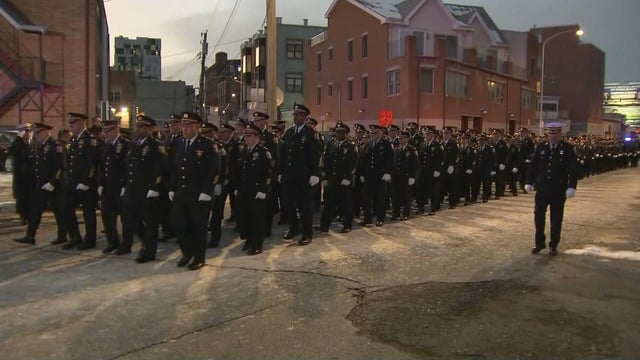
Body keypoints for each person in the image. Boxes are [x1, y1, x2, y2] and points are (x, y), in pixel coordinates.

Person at [169, 112, 216, 270]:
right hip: (181, 192)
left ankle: (199, 257)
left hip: (198, 194)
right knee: (180, 225)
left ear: (197, 126)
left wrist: (207, 191)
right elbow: (175, 168)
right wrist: (171, 187)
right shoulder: (179, 143)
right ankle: (187, 252)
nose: (185, 129)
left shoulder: (207, 145)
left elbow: (213, 170)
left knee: (198, 227)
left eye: (188, 125)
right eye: (183, 125)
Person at [525, 123, 578, 256]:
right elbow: (533, 166)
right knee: (538, 215)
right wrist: (529, 182)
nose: (553, 136)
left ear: (560, 134)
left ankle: (553, 244)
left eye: (555, 133)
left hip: (558, 189)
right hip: (542, 188)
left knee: (556, 217)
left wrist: (572, 186)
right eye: (550, 133)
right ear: (547, 134)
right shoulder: (541, 147)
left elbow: (573, 169)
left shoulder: (567, 149)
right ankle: (539, 242)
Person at [117, 115, 164, 263]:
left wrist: (155, 187)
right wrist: (125, 185)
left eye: (142, 126)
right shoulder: (133, 144)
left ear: (150, 129)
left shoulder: (156, 145)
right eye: (138, 126)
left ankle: (149, 252)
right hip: (133, 190)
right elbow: (128, 167)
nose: (139, 129)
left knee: (150, 223)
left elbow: (160, 168)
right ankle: (145, 242)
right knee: (132, 221)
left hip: (147, 190)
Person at [13, 123, 63, 245]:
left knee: (59, 212)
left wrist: (52, 182)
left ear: (45, 132)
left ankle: (63, 236)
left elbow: (59, 166)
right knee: (35, 211)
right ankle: (30, 236)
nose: (36, 136)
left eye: (38, 133)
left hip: (52, 186)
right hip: (41, 184)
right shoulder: (40, 146)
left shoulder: (54, 146)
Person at [279, 104, 320, 245]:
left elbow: (315, 155)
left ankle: (307, 233)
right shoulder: (289, 133)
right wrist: (281, 172)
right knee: (289, 205)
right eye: (295, 114)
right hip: (290, 176)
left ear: (304, 117)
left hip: (304, 176)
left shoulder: (310, 134)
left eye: (300, 115)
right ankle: (294, 228)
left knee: (305, 207)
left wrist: (315, 173)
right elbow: (284, 155)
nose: (296, 117)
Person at [60, 113, 100, 250]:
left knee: (88, 212)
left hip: (85, 184)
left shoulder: (90, 139)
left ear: (81, 122)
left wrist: (85, 181)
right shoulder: (74, 140)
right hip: (73, 183)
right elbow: (70, 162)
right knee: (66, 208)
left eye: (73, 123)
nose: (71, 126)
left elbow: (92, 163)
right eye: (70, 123)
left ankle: (90, 240)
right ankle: (75, 237)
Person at [237, 123, 271, 254]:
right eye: (245, 135)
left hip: (257, 190)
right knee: (246, 217)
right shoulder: (245, 150)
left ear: (256, 137)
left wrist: (263, 190)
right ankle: (249, 240)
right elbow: (241, 172)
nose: (246, 138)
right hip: (246, 189)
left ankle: (257, 244)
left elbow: (268, 172)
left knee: (257, 218)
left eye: (249, 135)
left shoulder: (263, 152)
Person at [319, 123, 358, 233]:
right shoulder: (331, 144)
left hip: (344, 180)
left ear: (345, 133)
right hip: (332, 179)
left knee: (346, 204)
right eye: (337, 131)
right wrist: (325, 177)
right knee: (328, 204)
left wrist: (348, 177)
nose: (339, 134)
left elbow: (354, 163)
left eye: (341, 132)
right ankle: (324, 226)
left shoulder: (351, 146)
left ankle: (347, 225)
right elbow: (326, 162)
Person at [98, 120, 130, 254]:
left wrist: (125, 184)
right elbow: (102, 166)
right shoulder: (106, 145)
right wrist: (100, 183)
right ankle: (112, 241)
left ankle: (126, 245)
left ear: (116, 129)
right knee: (107, 215)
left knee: (125, 217)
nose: (106, 134)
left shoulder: (125, 145)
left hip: (120, 187)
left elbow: (128, 167)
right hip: (108, 187)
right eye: (104, 131)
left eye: (108, 131)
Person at [358, 124, 393, 226]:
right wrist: (362, 173)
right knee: (367, 199)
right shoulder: (368, 145)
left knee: (380, 199)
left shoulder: (386, 144)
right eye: (372, 133)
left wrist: (387, 173)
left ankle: (380, 218)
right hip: (369, 177)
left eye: (375, 133)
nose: (373, 134)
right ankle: (367, 219)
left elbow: (390, 160)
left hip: (380, 176)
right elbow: (363, 160)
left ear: (380, 133)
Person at [7, 123, 33, 224]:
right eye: (26, 131)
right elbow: (12, 151)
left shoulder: (30, 142)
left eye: (29, 131)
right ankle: (23, 216)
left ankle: (29, 215)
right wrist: (18, 138)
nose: (29, 133)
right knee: (22, 197)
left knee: (29, 196)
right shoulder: (18, 143)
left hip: (30, 175)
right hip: (21, 175)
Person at [391, 130, 417, 220]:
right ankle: (396, 213)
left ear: (407, 139)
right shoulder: (396, 149)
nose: (400, 140)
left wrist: (412, 176)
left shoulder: (412, 150)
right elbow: (393, 163)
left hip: (406, 176)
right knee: (395, 197)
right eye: (399, 138)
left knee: (407, 197)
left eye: (402, 138)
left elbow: (415, 164)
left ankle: (406, 213)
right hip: (396, 176)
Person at [416, 128, 443, 216]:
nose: (427, 135)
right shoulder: (422, 144)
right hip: (422, 172)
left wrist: (438, 170)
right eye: (426, 133)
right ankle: (421, 208)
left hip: (432, 172)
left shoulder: (437, 145)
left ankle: (433, 208)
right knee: (421, 191)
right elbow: (419, 159)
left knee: (433, 191)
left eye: (429, 133)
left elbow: (441, 159)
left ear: (433, 135)